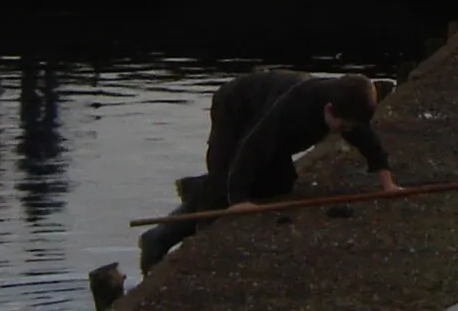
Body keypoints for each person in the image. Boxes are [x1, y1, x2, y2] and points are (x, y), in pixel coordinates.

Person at [137, 71, 398, 273]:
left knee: (281, 183)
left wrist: (388, 184)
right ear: (329, 110)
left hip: (269, 118)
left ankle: (195, 186)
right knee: (222, 190)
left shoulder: (345, 103)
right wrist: (239, 200)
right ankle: (158, 239)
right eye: (343, 127)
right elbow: (253, 147)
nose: (347, 132)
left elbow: (367, 140)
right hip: (236, 108)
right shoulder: (295, 105)